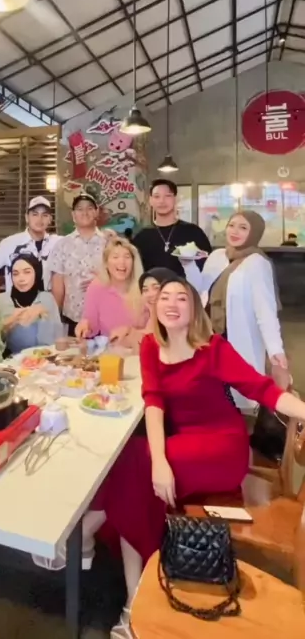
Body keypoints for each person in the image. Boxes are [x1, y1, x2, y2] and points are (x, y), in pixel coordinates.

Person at [64, 278, 305, 638]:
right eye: (165, 297)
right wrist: (160, 461)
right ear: (155, 305)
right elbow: (154, 403)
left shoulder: (213, 348)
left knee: (131, 468)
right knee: (134, 473)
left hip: (221, 448)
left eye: (182, 298)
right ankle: (134, 599)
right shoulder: (151, 346)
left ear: (194, 309)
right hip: (183, 443)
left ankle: (88, 538)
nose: (172, 304)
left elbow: (262, 389)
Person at [180, 210, 290, 403]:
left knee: (239, 391)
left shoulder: (257, 263)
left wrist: (275, 349)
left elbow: (265, 310)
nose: (235, 231)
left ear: (254, 233)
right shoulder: (217, 256)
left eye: (243, 227)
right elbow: (200, 291)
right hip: (209, 335)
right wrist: (188, 265)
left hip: (237, 337)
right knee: (210, 390)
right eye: (231, 225)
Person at [48, 193, 108, 336]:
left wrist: (102, 281)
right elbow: (58, 287)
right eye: (80, 209)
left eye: (89, 208)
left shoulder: (109, 242)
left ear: (96, 212)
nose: (85, 212)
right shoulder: (62, 245)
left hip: (105, 316)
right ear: (73, 214)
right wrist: (55, 319)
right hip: (72, 318)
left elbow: (121, 279)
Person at [133, 179, 211, 277]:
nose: (162, 201)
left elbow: (208, 266)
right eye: (157, 196)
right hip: (151, 286)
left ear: (176, 199)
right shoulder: (141, 237)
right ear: (150, 200)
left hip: (186, 286)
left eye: (168, 196)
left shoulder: (194, 232)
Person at [0, 196, 61, 296]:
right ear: (27, 217)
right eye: (35, 214)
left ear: (50, 219)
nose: (39, 219)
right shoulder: (11, 243)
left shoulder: (58, 243)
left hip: (46, 302)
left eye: (45, 215)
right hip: (16, 303)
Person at [75, 237, 146, 341]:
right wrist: (85, 326)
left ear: (134, 262)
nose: (122, 262)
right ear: (106, 263)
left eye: (127, 257)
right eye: (115, 257)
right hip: (110, 350)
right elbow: (92, 328)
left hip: (141, 348)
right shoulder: (96, 288)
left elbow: (157, 333)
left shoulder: (145, 289)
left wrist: (129, 331)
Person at [0, 254, 62, 354]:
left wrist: (45, 315)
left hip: (44, 358)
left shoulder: (47, 299)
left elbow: (58, 337)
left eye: (27, 272)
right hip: (10, 360)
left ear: (37, 273)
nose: (21, 278)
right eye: (15, 274)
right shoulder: (0, 301)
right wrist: (7, 324)